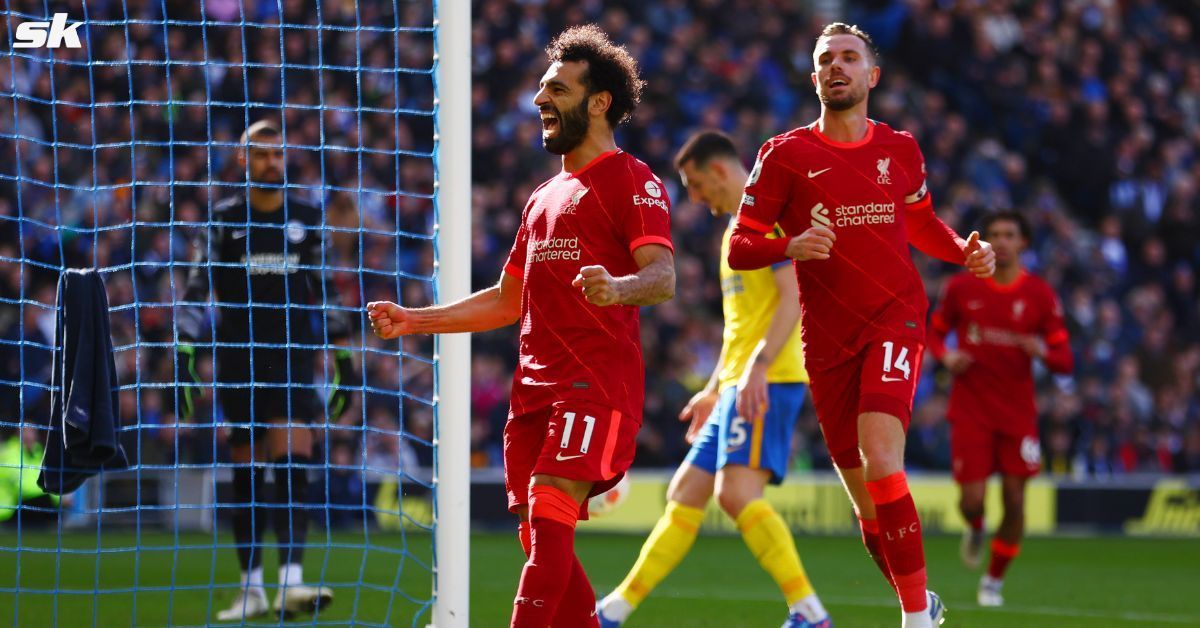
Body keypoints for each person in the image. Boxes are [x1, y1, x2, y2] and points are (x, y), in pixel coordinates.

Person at [367, 25, 675, 627]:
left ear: (599, 101)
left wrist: (617, 289)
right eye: (540, 89)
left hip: (595, 383)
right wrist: (414, 322)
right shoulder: (542, 198)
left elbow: (663, 276)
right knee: (541, 539)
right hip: (533, 392)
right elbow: (510, 299)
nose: (539, 101)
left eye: (556, 89)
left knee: (552, 507)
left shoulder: (631, 179)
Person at [727, 23, 996, 628]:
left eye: (850, 58)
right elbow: (741, 247)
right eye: (826, 60)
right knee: (869, 510)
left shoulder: (900, 149)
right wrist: (789, 244)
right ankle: (919, 600)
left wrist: (963, 251)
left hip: (894, 317)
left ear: (872, 76)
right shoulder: (785, 154)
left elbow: (922, 224)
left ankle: (914, 621)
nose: (836, 67)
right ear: (814, 75)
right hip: (826, 341)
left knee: (882, 457)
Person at [596, 131, 829, 628]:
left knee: (738, 494)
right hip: (741, 381)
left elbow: (792, 300)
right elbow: (741, 324)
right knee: (684, 493)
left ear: (720, 171)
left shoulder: (771, 218)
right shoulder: (734, 233)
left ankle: (809, 612)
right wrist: (714, 386)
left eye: (697, 186)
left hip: (771, 379)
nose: (697, 200)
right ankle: (613, 612)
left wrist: (759, 370)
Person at [179, 120, 358, 621]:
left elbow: (327, 290)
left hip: (293, 359)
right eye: (260, 154)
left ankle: (292, 584)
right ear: (243, 160)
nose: (271, 162)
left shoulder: (306, 217)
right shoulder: (221, 222)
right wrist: (184, 353)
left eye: (278, 154)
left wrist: (345, 360)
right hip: (240, 360)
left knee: (292, 463)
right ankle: (252, 589)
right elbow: (196, 289)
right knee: (248, 476)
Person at [928, 210, 1072, 607]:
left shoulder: (1040, 294)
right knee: (971, 500)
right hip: (970, 407)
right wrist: (946, 356)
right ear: (984, 242)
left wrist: (1042, 350)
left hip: (1017, 413)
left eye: (1010, 234)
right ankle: (975, 527)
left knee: (1015, 501)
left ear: (1023, 242)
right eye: (994, 234)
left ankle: (992, 582)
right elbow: (935, 333)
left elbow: (1065, 360)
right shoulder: (961, 287)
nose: (1003, 241)